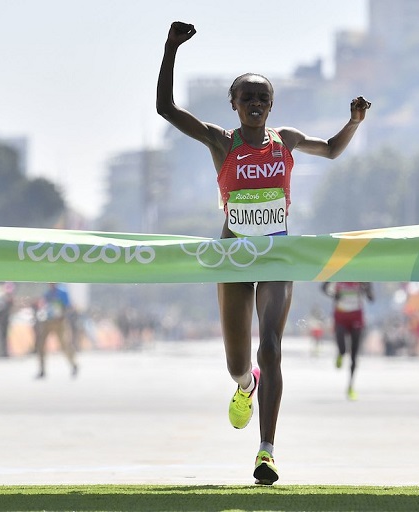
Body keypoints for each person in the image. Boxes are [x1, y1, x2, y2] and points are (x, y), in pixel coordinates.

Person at [156, 21, 370, 485]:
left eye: (263, 99)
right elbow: (166, 108)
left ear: (271, 106)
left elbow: (332, 150)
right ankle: (245, 385)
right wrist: (171, 48)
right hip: (233, 256)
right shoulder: (222, 141)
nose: (256, 105)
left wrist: (352, 123)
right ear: (233, 105)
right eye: (247, 99)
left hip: (277, 255)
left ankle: (266, 451)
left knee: (271, 345)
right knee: (238, 363)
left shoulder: (286, 140)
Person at [321, 282, 374, 400]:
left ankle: (350, 386)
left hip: (356, 316)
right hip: (340, 316)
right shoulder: (339, 272)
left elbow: (371, 298)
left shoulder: (361, 277)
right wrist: (333, 295)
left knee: (354, 356)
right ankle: (340, 354)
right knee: (343, 349)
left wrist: (366, 289)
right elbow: (323, 288)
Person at [35, 283, 78, 379]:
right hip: (48, 321)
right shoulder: (47, 293)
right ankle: (42, 369)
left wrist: (63, 315)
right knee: (41, 345)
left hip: (60, 322)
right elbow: (43, 307)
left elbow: (68, 306)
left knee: (64, 344)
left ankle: (73, 364)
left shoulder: (62, 292)